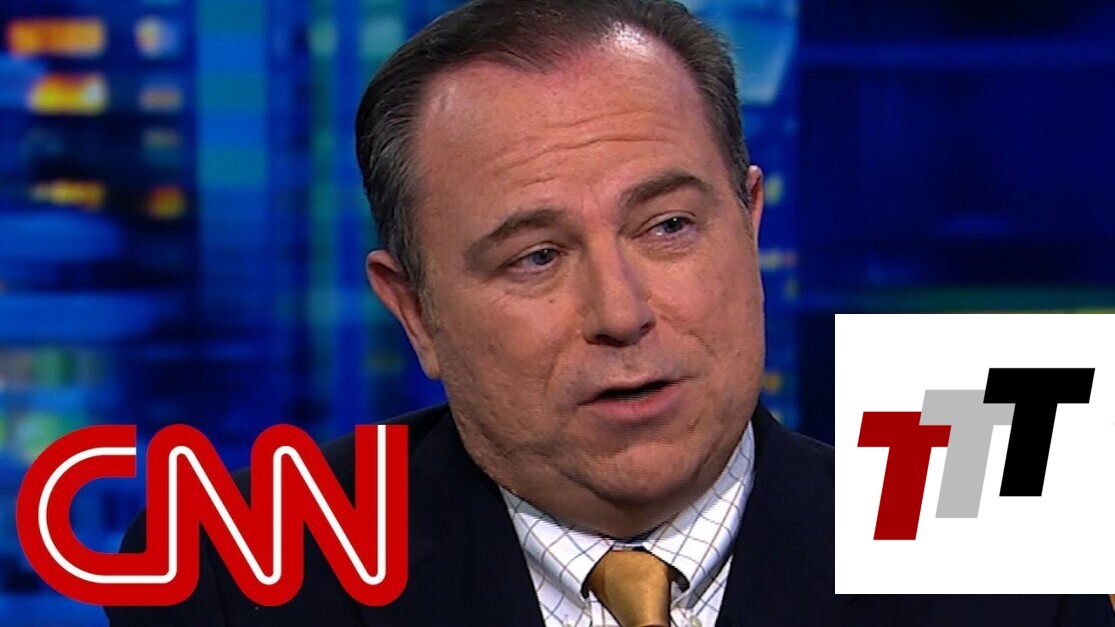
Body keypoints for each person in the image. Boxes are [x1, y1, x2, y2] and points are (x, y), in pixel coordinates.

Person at [106, 0, 1115, 625]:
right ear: (413, 311)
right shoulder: (233, 573)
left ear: (749, 223)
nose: (621, 313)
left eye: (668, 226)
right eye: (536, 257)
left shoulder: (1009, 570)